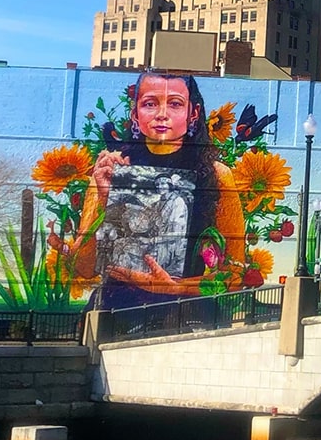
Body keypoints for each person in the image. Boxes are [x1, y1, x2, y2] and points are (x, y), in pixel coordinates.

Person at [80, 71, 244, 302]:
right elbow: (82, 268)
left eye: (175, 104)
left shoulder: (217, 176)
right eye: (150, 104)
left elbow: (235, 275)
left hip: (183, 321)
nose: (161, 115)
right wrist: (103, 202)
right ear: (135, 113)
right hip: (113, 314)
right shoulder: (112, 169)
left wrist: (177, 288)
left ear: (193, 113)